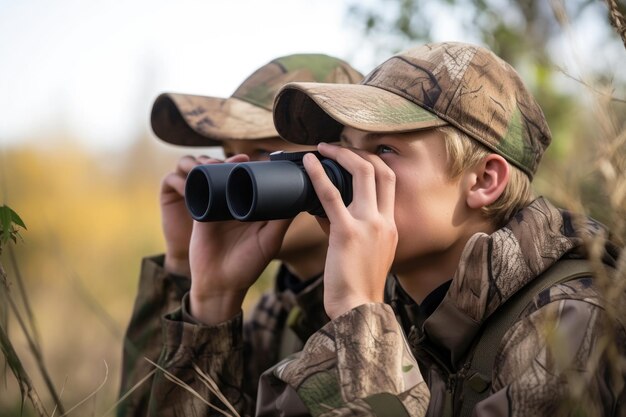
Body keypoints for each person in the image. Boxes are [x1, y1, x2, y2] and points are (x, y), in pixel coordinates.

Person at [249, 41, 624, 416]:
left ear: (483, 180)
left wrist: (359, 315)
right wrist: (213, 303)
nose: (351, 171)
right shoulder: (402, 308)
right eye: (344, 147)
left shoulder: (575, 318)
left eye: (382, 150)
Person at [117, 53, 363, 417]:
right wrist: (186, 273)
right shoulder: (272, 318)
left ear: (345, 164)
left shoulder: (394, 306)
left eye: (263, 152)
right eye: (229, 154)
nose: (236, 175)